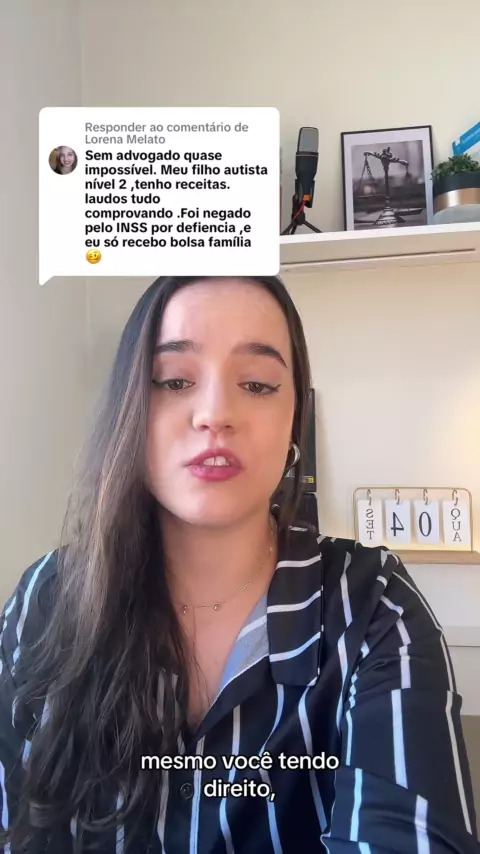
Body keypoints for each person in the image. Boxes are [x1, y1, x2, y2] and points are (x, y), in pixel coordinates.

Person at [0, 274, 478, 854]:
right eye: (174, 380)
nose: (215, 414)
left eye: (256, 384)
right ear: (130, 408)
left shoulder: (373, 607)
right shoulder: (46, 600)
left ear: (295, 417)